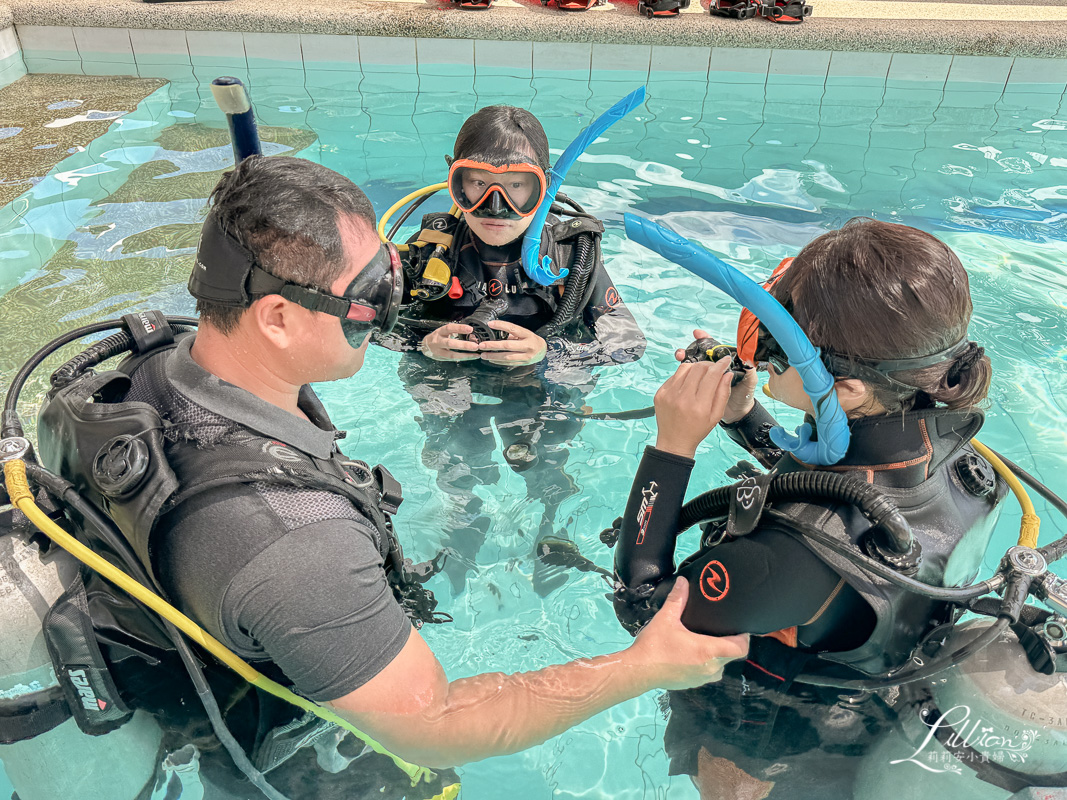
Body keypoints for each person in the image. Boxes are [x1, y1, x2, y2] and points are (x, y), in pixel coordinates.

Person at [18, 154, 746, 799]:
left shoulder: (156, 364)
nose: (387, 305)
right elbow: (433, 726)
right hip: (283, 747)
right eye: (367, 292)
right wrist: (642, 665)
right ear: (274, 317)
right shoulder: (293, 538)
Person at [611, 218, 1007, 799]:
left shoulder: (792, 556)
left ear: (846, 390)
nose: (762, 354)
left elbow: (645, 607)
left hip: (770, 757)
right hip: (871, 711)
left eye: (776, 344)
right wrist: (746, 417)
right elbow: (834, 475)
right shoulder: (960, 457)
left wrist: (672, 447)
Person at [378, 105, 646, 595]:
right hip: (452, 386)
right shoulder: (432, 247)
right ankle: (463, 525)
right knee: (458, 468)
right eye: (477, 184)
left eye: (516, 186)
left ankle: (550, 527)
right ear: (454, 181)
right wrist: (424, 342)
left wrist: (550, 353)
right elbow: (368, 324)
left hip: (541, 389)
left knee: (546, 468)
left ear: (543, 185)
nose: (495, 207)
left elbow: (628, 343)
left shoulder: (572, 252)